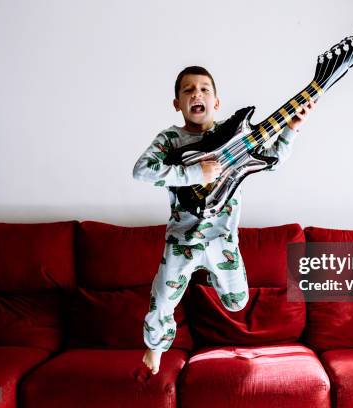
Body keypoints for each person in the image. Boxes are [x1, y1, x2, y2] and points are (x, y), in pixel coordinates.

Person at [133, 66, 316, 374]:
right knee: (162, 299)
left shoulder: (233, 136)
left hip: (222, 239)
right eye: (188, 90)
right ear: (177, 103)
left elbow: (269, 161)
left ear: (216, 102)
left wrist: (291, 129)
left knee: (237, 303)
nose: (196, 94)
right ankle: (155, 348)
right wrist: (194, 172)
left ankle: (208, 273)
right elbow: (142, 170)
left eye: (204, 89)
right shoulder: (170, 140)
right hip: (183, 240)